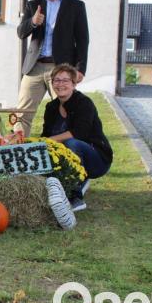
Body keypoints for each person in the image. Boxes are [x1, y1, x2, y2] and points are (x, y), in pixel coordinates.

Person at [14, 0, 89, 137]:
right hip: (34, 67)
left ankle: (63, 156)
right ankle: (17, 152)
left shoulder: (76, 6)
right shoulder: (33, 5)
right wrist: (33, 22)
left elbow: (83, 40)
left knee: (64, 113)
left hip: (61, 68)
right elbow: (20, 32)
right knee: (21, 115)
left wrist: (80, 68)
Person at [41, 64, 112, 212]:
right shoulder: (51, 107)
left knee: (72, 143)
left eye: (65, 80)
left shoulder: (84, 103)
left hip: (96, 158)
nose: (60, 84)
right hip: (67, 158)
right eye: (57, 80)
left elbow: (80, 133)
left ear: (74, 83)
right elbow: (46, 137)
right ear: (52, 83)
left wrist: (50, 140)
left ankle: (75, 197)